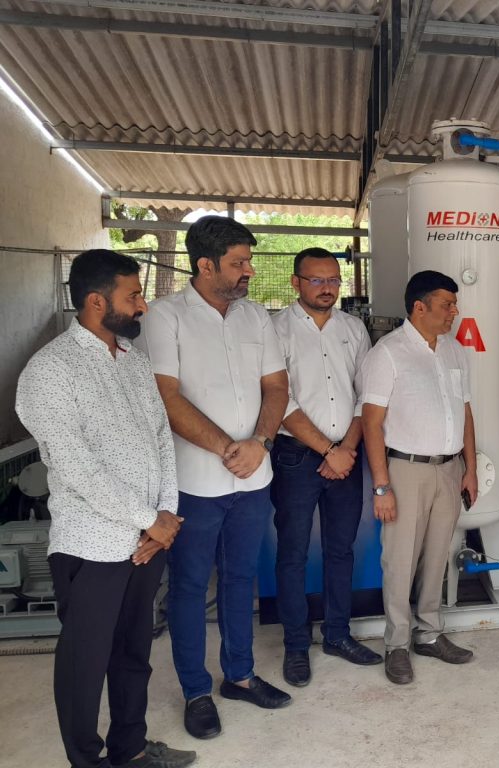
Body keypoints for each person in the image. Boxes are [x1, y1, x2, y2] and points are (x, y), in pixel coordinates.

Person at [16, 250, 195, 768]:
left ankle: (130, 749)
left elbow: (161, 441)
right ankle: (86, 761)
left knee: (133, 653)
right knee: (85, 664)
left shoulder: (134, 362)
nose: (142, 305)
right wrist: (149, 520)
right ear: (97, 302)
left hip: (147, 542)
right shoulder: (50, 371)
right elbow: (77, 468)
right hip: (91, 545)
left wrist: (164, 519)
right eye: (133, 295)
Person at [137, 216, 291, 740]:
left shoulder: (256, 317)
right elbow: (166, 397)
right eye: (238, 262)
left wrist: (260, 443)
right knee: (187, 586)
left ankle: (240, 677)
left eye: (249, 260)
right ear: (205, 265)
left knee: (241, 579)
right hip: (195, 482)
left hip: (253, 479)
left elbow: (277, 387)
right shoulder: (165, 316)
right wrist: (229, 448)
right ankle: (196, 691)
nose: (249, 271)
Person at [359, 270, 479, 685]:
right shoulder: (388, 353)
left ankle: (429, 634)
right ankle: (396, 645)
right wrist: (382, 485)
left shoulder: (454, 351)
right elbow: (371, 423)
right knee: (400, 559)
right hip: (405, 470)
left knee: (437, 554)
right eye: (447, 304)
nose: (454, 311)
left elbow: (465, 412)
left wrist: (470, 469)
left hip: (449, 469)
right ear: (419, 307)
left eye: (455, 304)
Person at [270, 247, 380, 687]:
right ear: (296, 282)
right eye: (316, 280)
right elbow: (278, 400)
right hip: (295, 457)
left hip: (347, 455)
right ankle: (296, 645)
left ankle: (337, 635)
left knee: (340, 550)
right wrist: (327, 450)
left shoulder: (353, 329)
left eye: (333, 279)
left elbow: (366, 394)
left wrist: (346, 449)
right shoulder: (275, 329)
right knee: (293, 554)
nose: (327, 288)